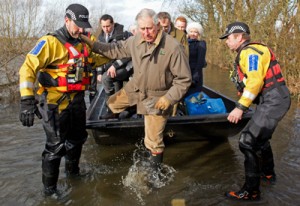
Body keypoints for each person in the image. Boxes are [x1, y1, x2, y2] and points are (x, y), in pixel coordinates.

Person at [80, 8, 191, 172]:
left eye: (149, 28)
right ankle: (118, 112)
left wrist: (169, 98)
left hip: (158, 96)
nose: (146, 33)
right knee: (112, 103)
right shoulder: (135, 40)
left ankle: (155, 172)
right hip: (136, 88)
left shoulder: (173, 47)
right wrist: (94, 45)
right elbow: (114, 49)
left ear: (158, 26)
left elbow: (184, 79)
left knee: (153, 140)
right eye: (142, 29)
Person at [19, 3, 109, 196]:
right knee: (55, 146)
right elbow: (27, 69)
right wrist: (27, 101)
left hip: (77, 101)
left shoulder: (86, 42)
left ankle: (74, 175)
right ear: (66, 20)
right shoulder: (50, 42)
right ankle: (49, 191)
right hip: (54, 104)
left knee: (77, 139)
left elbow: (101, 57)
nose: (81, 29)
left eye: (84, 25)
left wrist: (123, 53)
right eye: (77, 25)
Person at [219, 22, 291, 200]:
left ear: (239, 37)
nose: (226, 42)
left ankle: (251, 192)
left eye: (228, 38)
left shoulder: (250, 52)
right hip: (273, 99)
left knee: (247, 141)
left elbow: (256, 82)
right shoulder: (248, 52)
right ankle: (267, 173)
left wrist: (240, 107)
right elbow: (254, 80)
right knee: (259, 139)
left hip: (274, 100)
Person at [93, 14, 133, 119]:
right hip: (111, 68)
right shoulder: (100, 38)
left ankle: (111, 109)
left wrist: (115, 66)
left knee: (107, 78)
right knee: (109, 81)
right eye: (103, 27)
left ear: (113, 24)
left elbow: (129, 54)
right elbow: (99, 56)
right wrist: (99, 72)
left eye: (108, 26)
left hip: (126, 66)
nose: (106, 29)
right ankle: (117, 107)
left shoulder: (124, 35)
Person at [185, 22, 207, 96]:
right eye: (191, 31)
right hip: (185, 72)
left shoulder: (201, 44)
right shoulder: (185, 43)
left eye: (195, 32)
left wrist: (195, 77)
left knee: (193, 96)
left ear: (198, 34)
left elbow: (200, 61)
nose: (193, 34)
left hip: (195, 73)